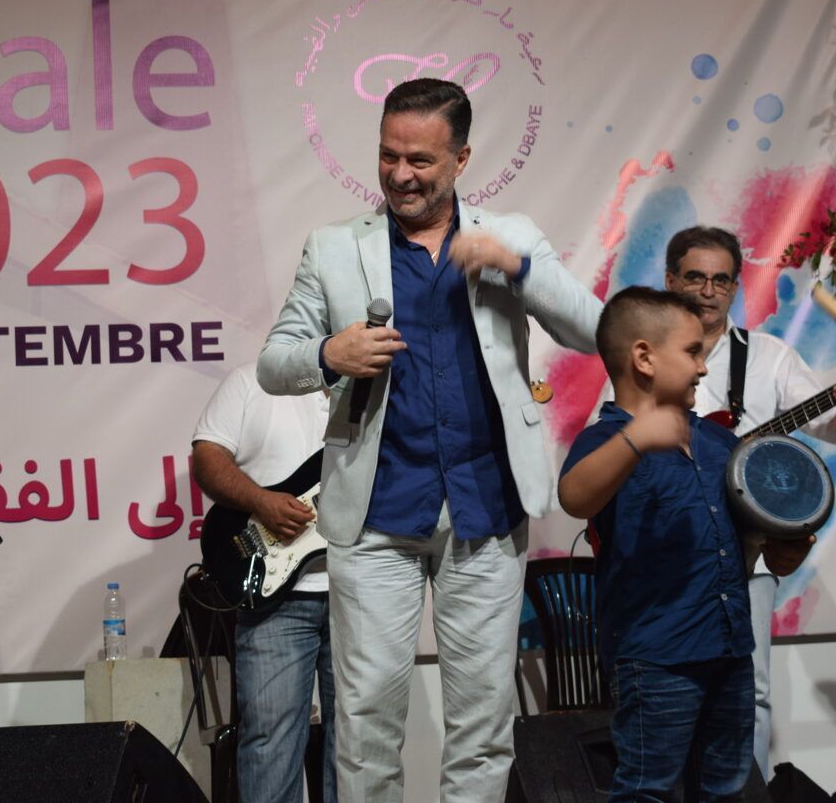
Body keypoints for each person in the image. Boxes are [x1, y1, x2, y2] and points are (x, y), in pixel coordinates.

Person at [258, 78, 601, 803]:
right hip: (377, 513)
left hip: (485, 507)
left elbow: (593, 329)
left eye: (420, 159)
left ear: (461, 159)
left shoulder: (511, 237)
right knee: (364, 724)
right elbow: (274, 363)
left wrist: (520, 271)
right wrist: (329, 353)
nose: (400, 174)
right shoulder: (333, 248)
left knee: (483, 728)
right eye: (389, 155)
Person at [559, 287, 812, 802]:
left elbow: (750, 541)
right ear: (644, 358)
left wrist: (783, 551)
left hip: (731, 650)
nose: (702, 367)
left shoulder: (720, 442)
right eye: (693, 352)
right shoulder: (604, 440)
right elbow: (574, 497)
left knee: (725, 789)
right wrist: (637, 438)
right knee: (647, 789)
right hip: (656, 658)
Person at [663, 226, 836, 779]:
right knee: (668, 686)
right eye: (695, 277)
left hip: (746, 549)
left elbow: (825, 421)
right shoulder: (646, 353)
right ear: (671, 280)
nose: (708, 290)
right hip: (670, 547)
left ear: (735, 287)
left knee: (749, 688)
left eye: (721, 280)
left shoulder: (769, 356)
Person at [191, 363, 336, 803]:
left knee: (361, 742)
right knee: (270, 741)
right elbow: (207, 458)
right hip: (275, 596)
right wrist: (262, 501)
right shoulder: (250, 380)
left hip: (361, 591)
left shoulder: (380, 389)